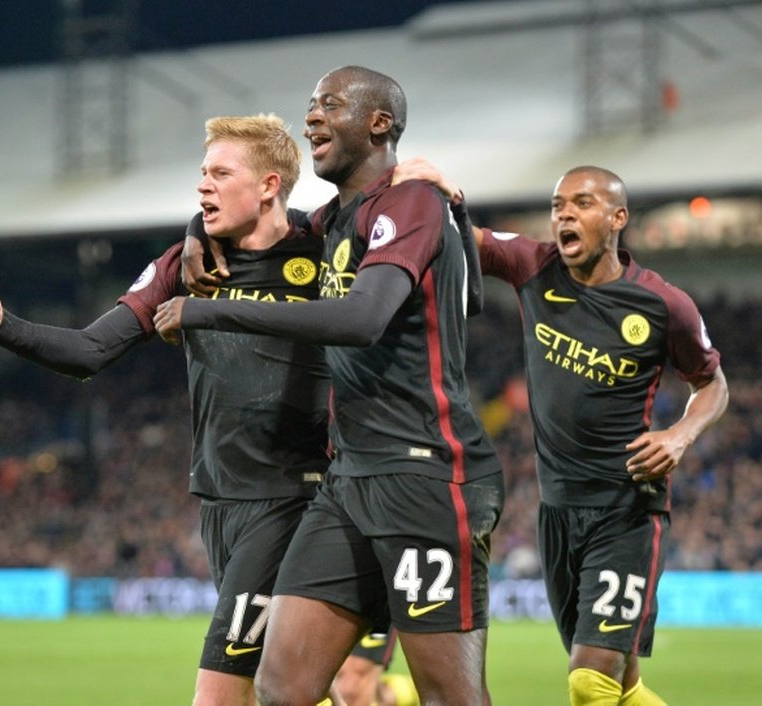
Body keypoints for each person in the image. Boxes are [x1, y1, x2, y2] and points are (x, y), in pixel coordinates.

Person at [0, 113, 357, 706]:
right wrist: (2, 326)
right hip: (221, 502)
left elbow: (386, 220)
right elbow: (90, 350)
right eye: (202, 174)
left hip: (296, 497)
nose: (204, 186)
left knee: (218, 695)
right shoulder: (185, 264)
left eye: (221, 173)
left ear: (270, 184)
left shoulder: (323, 247)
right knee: (283, 688)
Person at [154, 65, 505, 706]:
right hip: (346, 481)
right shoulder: (331, 222)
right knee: (283, 686)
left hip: (425, 474)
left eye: (330, 104)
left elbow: (361, 319)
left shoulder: (411, 202)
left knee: (449, 694)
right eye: (310, 104)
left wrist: (207, 309)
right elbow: (253, 217)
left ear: (379, 124)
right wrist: (195, 228)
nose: (312, 115)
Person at [465, 165, 727, 706]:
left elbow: (713, 384)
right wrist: (423, 191)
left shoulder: (662, 304)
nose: (564, 213)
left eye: (581, 203)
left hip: (626, 509)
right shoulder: (534, 267)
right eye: (558, 204)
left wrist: (679, 435)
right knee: (620, 686)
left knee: (590, 682)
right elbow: (455, 236)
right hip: (557, 510)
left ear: (617, 218)